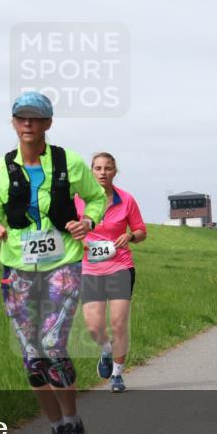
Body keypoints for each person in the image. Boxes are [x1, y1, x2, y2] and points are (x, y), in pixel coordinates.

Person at [0, 91, 106, 434]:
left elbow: (96, 199)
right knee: (31, 356)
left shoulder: (70, 162)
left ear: (49, 123)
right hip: (17, 269)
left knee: (51, 344)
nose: (28, 125)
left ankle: (72, 420)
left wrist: (88, 222)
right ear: (14, 123)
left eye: (36, 118)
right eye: (22, 118)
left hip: (62, 263)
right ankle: (56, 428)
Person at [76, 153, 147, 394]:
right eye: (98, 168)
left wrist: (129, 236)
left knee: (118, 323)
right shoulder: (78, 200)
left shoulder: (126, 200)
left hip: (120, 265)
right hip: (90, 267)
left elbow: (141, 230)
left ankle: (117, 375)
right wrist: (81, 242)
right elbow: (66, 230)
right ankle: (106, 351)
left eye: (107, 168)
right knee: (94, 327)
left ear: (115, 171)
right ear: (91, 171)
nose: (103, 172)